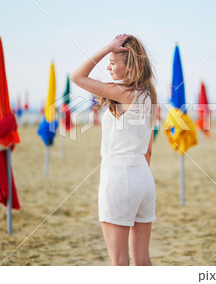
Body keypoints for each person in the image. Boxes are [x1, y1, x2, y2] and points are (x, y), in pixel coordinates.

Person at [70, 34, 157, 266]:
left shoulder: (124, 94)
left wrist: (106, 47)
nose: (108, 67)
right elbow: (148, 150)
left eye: (112, 62)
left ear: (129, 67)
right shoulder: (149, 96)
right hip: (144, 178)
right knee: (142, 261)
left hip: (120, 177)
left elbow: (76, 76)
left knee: (118, 262)